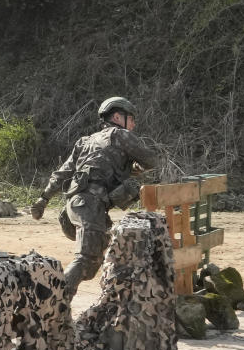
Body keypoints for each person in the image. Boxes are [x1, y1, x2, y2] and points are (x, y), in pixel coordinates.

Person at [30, 96, 159, 297]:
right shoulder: (120, 135)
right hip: (90, 207)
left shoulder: (86, 141)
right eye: (131, 119)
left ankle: (112, 299)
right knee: (86, 261)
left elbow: (62, 173)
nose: (133, 124)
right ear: (117, 117)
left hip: (74, 208)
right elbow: (151, 160)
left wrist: (43, 199)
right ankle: (54, 305)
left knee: (104, 254)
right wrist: (134, 168)